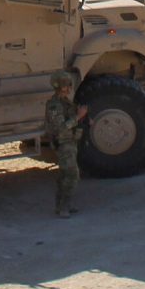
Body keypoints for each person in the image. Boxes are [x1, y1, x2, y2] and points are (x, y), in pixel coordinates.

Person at [44, 71, 87, 218]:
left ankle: (61, 205)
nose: (68, 89)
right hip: (63, 144)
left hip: (70, 142)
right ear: (58, 87)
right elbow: (61, 127)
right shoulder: (54, 106)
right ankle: (63, 207)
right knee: (72, 175)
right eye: (65, 86)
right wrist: (78, 116)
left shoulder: (66, 103)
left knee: (65, 175)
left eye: (69, 85)